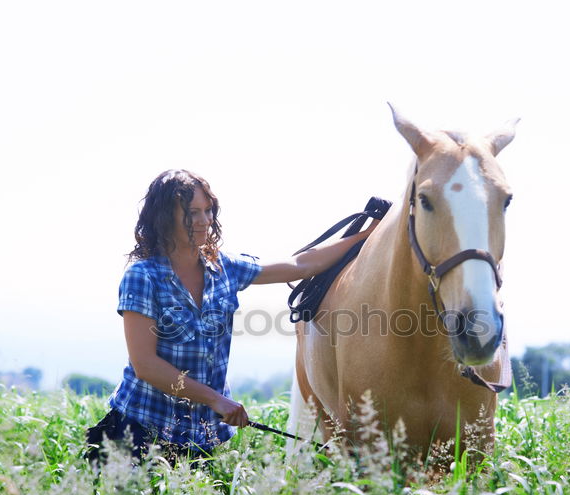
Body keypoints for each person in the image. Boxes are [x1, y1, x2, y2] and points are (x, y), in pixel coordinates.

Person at [86, 169, 378, 465]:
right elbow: (145, 365)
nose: (204, 220)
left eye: (208, 210)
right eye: (191, 213)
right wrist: (215, 399)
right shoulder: (142, 276)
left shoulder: (222, 267)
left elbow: (299, 265)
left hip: (200, 438)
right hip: (138, 431)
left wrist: (365, 236)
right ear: (164, 219)